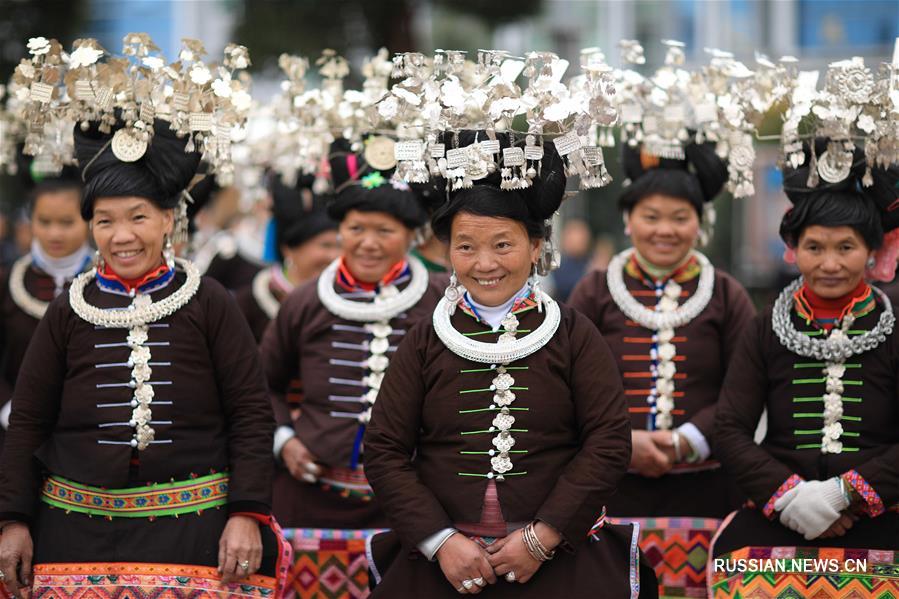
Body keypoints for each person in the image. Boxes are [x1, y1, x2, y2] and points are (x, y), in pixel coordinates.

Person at [0, 120, 286, 598]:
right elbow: (28, 421)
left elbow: (251, 413)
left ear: (168, 220)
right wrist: (14, 519)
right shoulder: (69, 307)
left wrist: (245, 513)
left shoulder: (209, 301)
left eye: (138, 217)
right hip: (77, 528)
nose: (121, 236)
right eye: (105, 221)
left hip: (197, 527)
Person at [364, 135, 653, 598]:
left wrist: (542, 539)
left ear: (536, 245)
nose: (484, 264)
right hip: (445, 562)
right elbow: (383, 451)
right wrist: (441, 542)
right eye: (465, 247)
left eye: (503, 244)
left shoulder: (574, 335)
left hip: (559, 554)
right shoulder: (424, 340)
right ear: (447, 251)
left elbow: (608, 441)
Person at [711, 139, 899, 597]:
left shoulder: (896, 326)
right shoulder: (765, 327)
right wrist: (792, 498)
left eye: (846, 247)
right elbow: (730, 429)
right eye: (814, 247)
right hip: (781, 507)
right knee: (732, 562)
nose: (830, 264)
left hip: (881, 509)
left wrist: (841, 496)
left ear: (871, 250)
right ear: (794, 248)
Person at [568, 142, 755, 598]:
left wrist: (684, 442)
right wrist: (622, 443)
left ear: (700, 222)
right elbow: (567, 384)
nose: (665, 230)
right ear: (628, 220)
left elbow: (746, 390)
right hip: (609, 487)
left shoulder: (728, 295)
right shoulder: (593, 291)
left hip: (708, 488)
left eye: (679, 217)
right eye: (651, 216)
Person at [260, 137, 444, 593]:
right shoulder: (305, 301)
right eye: (356, 228)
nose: (368, 243)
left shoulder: (441, 300)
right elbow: (263, 386)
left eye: (385, 230)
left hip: (413, 502)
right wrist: (284, 440)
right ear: (339, 228)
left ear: (412, 234)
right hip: (312, 497)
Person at [0, 164, 91, 453]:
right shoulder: (7, 281)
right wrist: (6, 407)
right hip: (12, 431)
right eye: (44, 221)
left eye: (66, 222)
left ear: (88, 219)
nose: (54, 233)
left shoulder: (106, 283)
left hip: (88, 434)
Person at [235, 174, 339, 342]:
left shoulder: (347, 301)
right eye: (325, 245)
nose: (335, 256)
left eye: (341, 246)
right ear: (289, 249)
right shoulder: (246, 305)